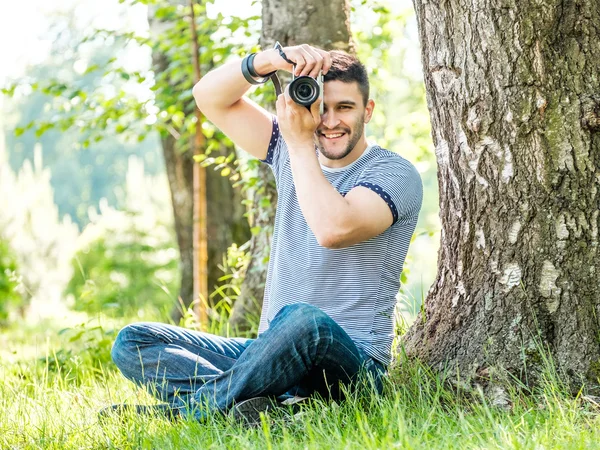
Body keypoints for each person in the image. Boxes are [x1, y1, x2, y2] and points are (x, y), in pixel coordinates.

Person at [106, 44, 423, 423]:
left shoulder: (394, 172)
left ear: (367, 111)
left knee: (305, 322)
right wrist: (272, 60)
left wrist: (300, 142)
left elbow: (333, 229)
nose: (329, 121)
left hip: (351, 364)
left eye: (345, 108)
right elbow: (208, 97)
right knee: (134, 342)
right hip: (272, 353)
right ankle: (264, 407)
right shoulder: (291, 148)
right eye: (320, 107)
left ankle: (186, 412)